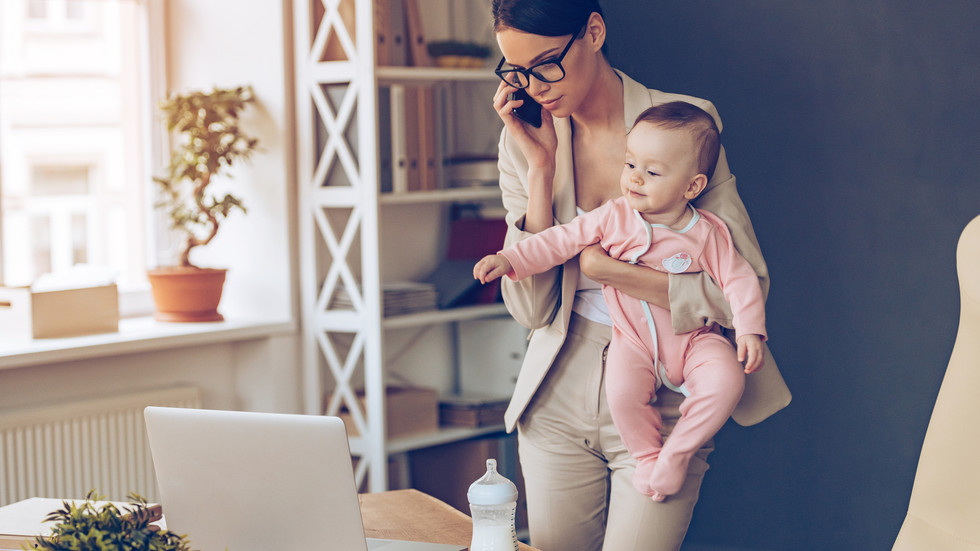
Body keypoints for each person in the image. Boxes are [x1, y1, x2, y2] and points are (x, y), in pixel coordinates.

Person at [488, 1, 791, 549]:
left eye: (546, 64)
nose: (533, 88)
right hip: (557, 387)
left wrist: (607, 271)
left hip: (669, 388)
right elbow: (531, 311)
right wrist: (540, 171)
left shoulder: (686, 121)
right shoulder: (523, 142)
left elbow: (741, 286)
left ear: (595, 32)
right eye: (516, 72)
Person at [475, 101, 767, 502]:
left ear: (693, 186)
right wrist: (510, 259)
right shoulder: (613, 216)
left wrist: (750, 330)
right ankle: (648, 456)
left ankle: (677, 452)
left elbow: (740, 279)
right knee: (622, 392)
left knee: (727, 380)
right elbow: (560, 241)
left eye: (652, 172)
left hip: (696, 340)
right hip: (632, 342)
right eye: (630, 165)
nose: (634, 179)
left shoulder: (707, 232)